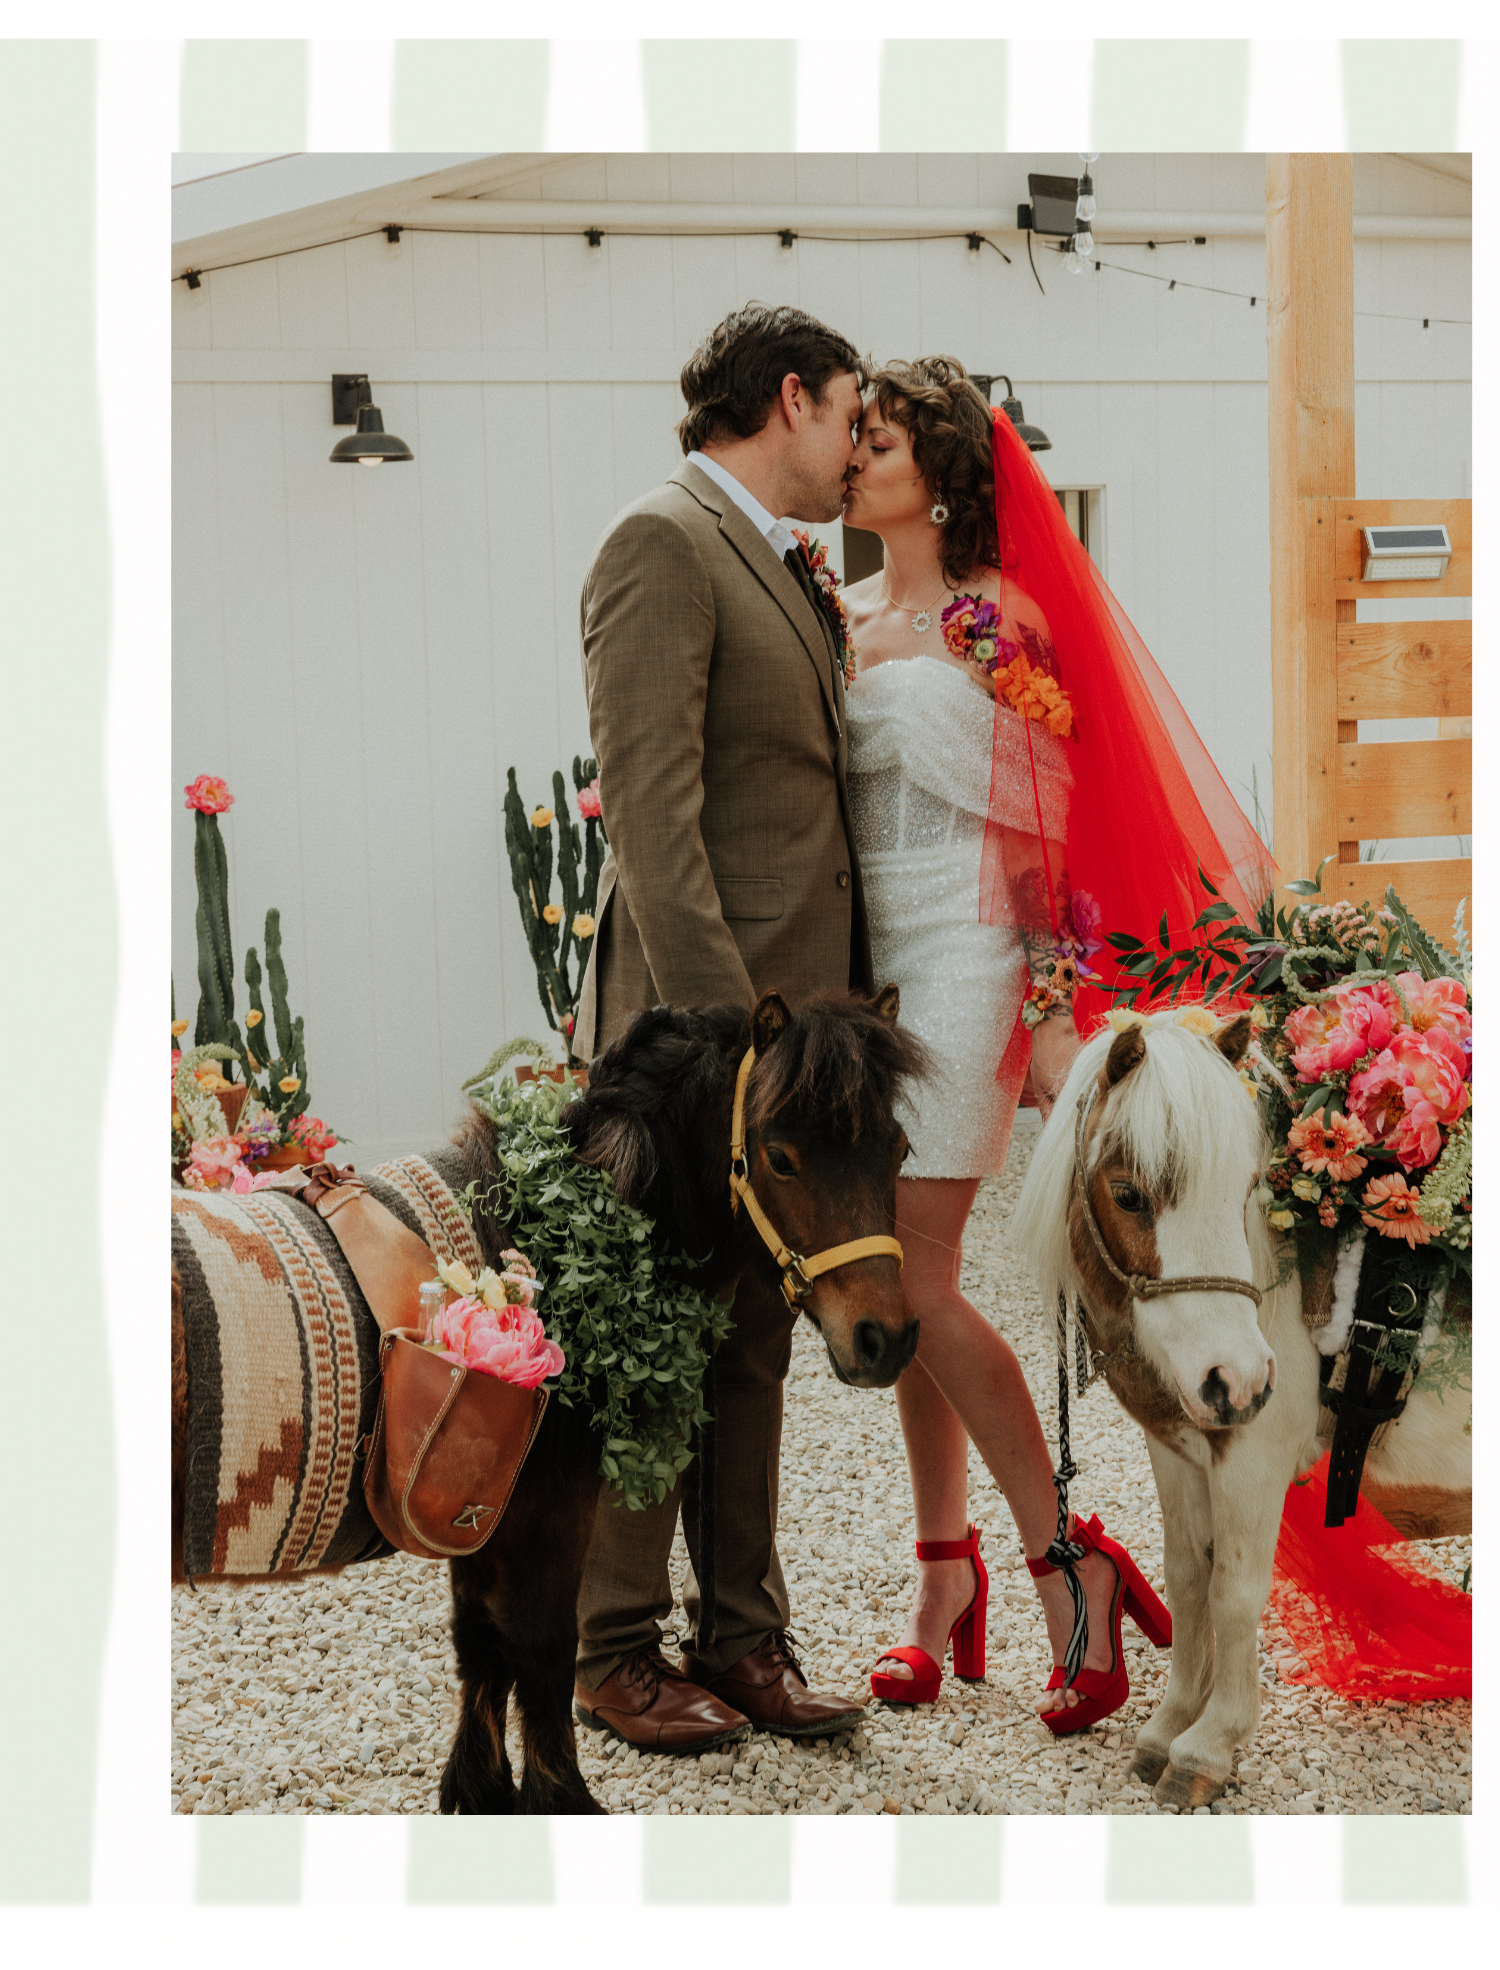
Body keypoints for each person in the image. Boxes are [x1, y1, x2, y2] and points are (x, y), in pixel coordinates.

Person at [840, 356, 1267, 1732]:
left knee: (915, 1274)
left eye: (884, 437)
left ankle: (1060, 1561)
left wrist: (1042, 1002)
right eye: (856, 435)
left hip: (967, 961)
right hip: (868, 978)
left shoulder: (997, 617)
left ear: (945, 466)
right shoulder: (840, 612)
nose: (858, 455)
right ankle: (938, 1572)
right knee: (898, 1294)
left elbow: (1043, 812)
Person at [570, 304, 874, 1753]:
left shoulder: (778, 559)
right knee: (659, 1336)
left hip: (792, 1048)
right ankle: (612, 1648)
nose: (857, 445)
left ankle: (744, 1637)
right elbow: (649, 813)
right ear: (791, 399)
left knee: (755, 1332)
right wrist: (727, 1042)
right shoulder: (663, 540)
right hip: (702, 1048)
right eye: (849, 416)